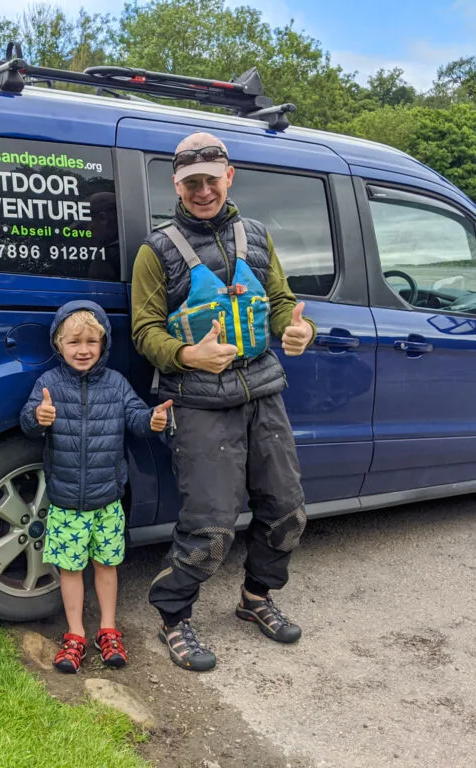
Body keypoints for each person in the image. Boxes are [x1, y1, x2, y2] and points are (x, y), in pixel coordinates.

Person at [130, 132, 316, 672]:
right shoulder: (155, 251)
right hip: (197, 402)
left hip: (263, 389)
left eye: (212, 179)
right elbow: (143, 332)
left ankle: (255, 598)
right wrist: (189, 354)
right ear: (177, 185)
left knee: (287, 509)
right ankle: (172, 616)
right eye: (192, 182)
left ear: (229, 176)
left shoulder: (256, 236)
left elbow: (280, 303)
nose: (203, 190)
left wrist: (298, 330)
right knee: (210, 522)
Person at [20, 300, 171, 673]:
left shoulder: (117, 383)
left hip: (107, 501)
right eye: (73, 343)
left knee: (107, 565)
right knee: (70, 570)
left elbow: (135, 417)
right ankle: (74, 635)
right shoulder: (48, 383)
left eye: (91, 341)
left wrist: (153, 420)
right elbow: (27, 420)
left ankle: (108, 628)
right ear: (58, 345)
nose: (83, 350)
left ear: (104, 343)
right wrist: (39, 416)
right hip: (66, 500)